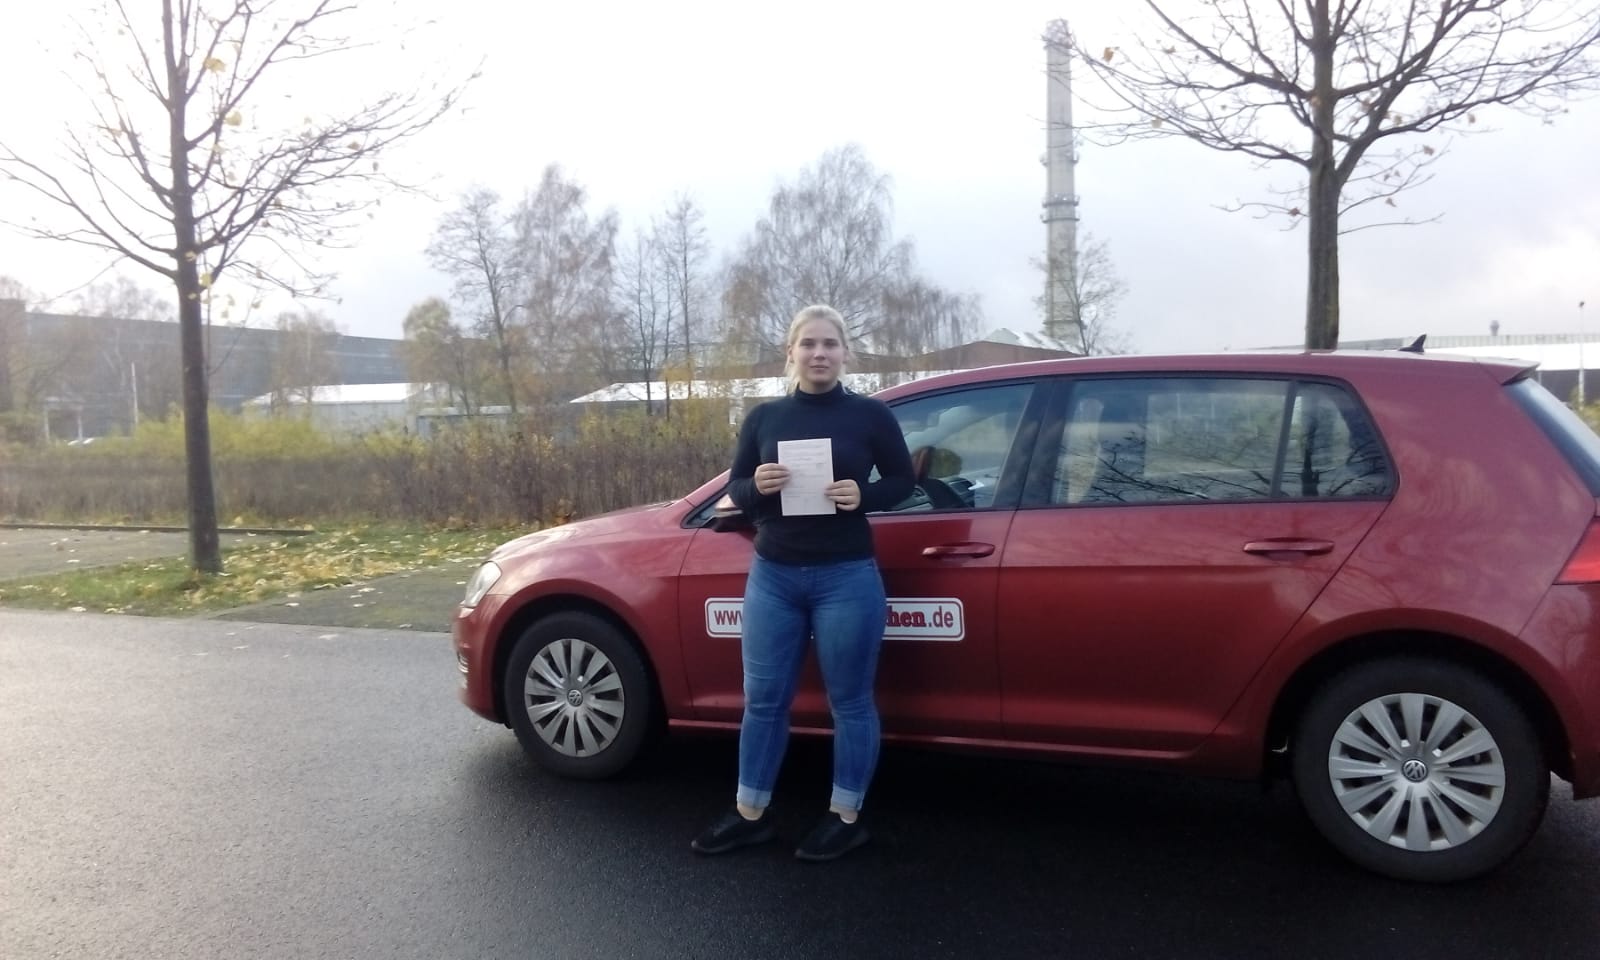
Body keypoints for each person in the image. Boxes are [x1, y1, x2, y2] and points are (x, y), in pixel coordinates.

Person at [692, 304, 914, 862]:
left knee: (850, 702)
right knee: (764, 700)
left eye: (830, 344)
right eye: (808, 344)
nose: (819, 353)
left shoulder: (870, 415)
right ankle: (750, 814)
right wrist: (757, 486)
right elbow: (736, 490)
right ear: (790, 352)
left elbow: (903, 481)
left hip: (847, 576)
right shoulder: (765, 418)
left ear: (845, 352)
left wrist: (865, 495)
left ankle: (845, 816)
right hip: (774, 578)